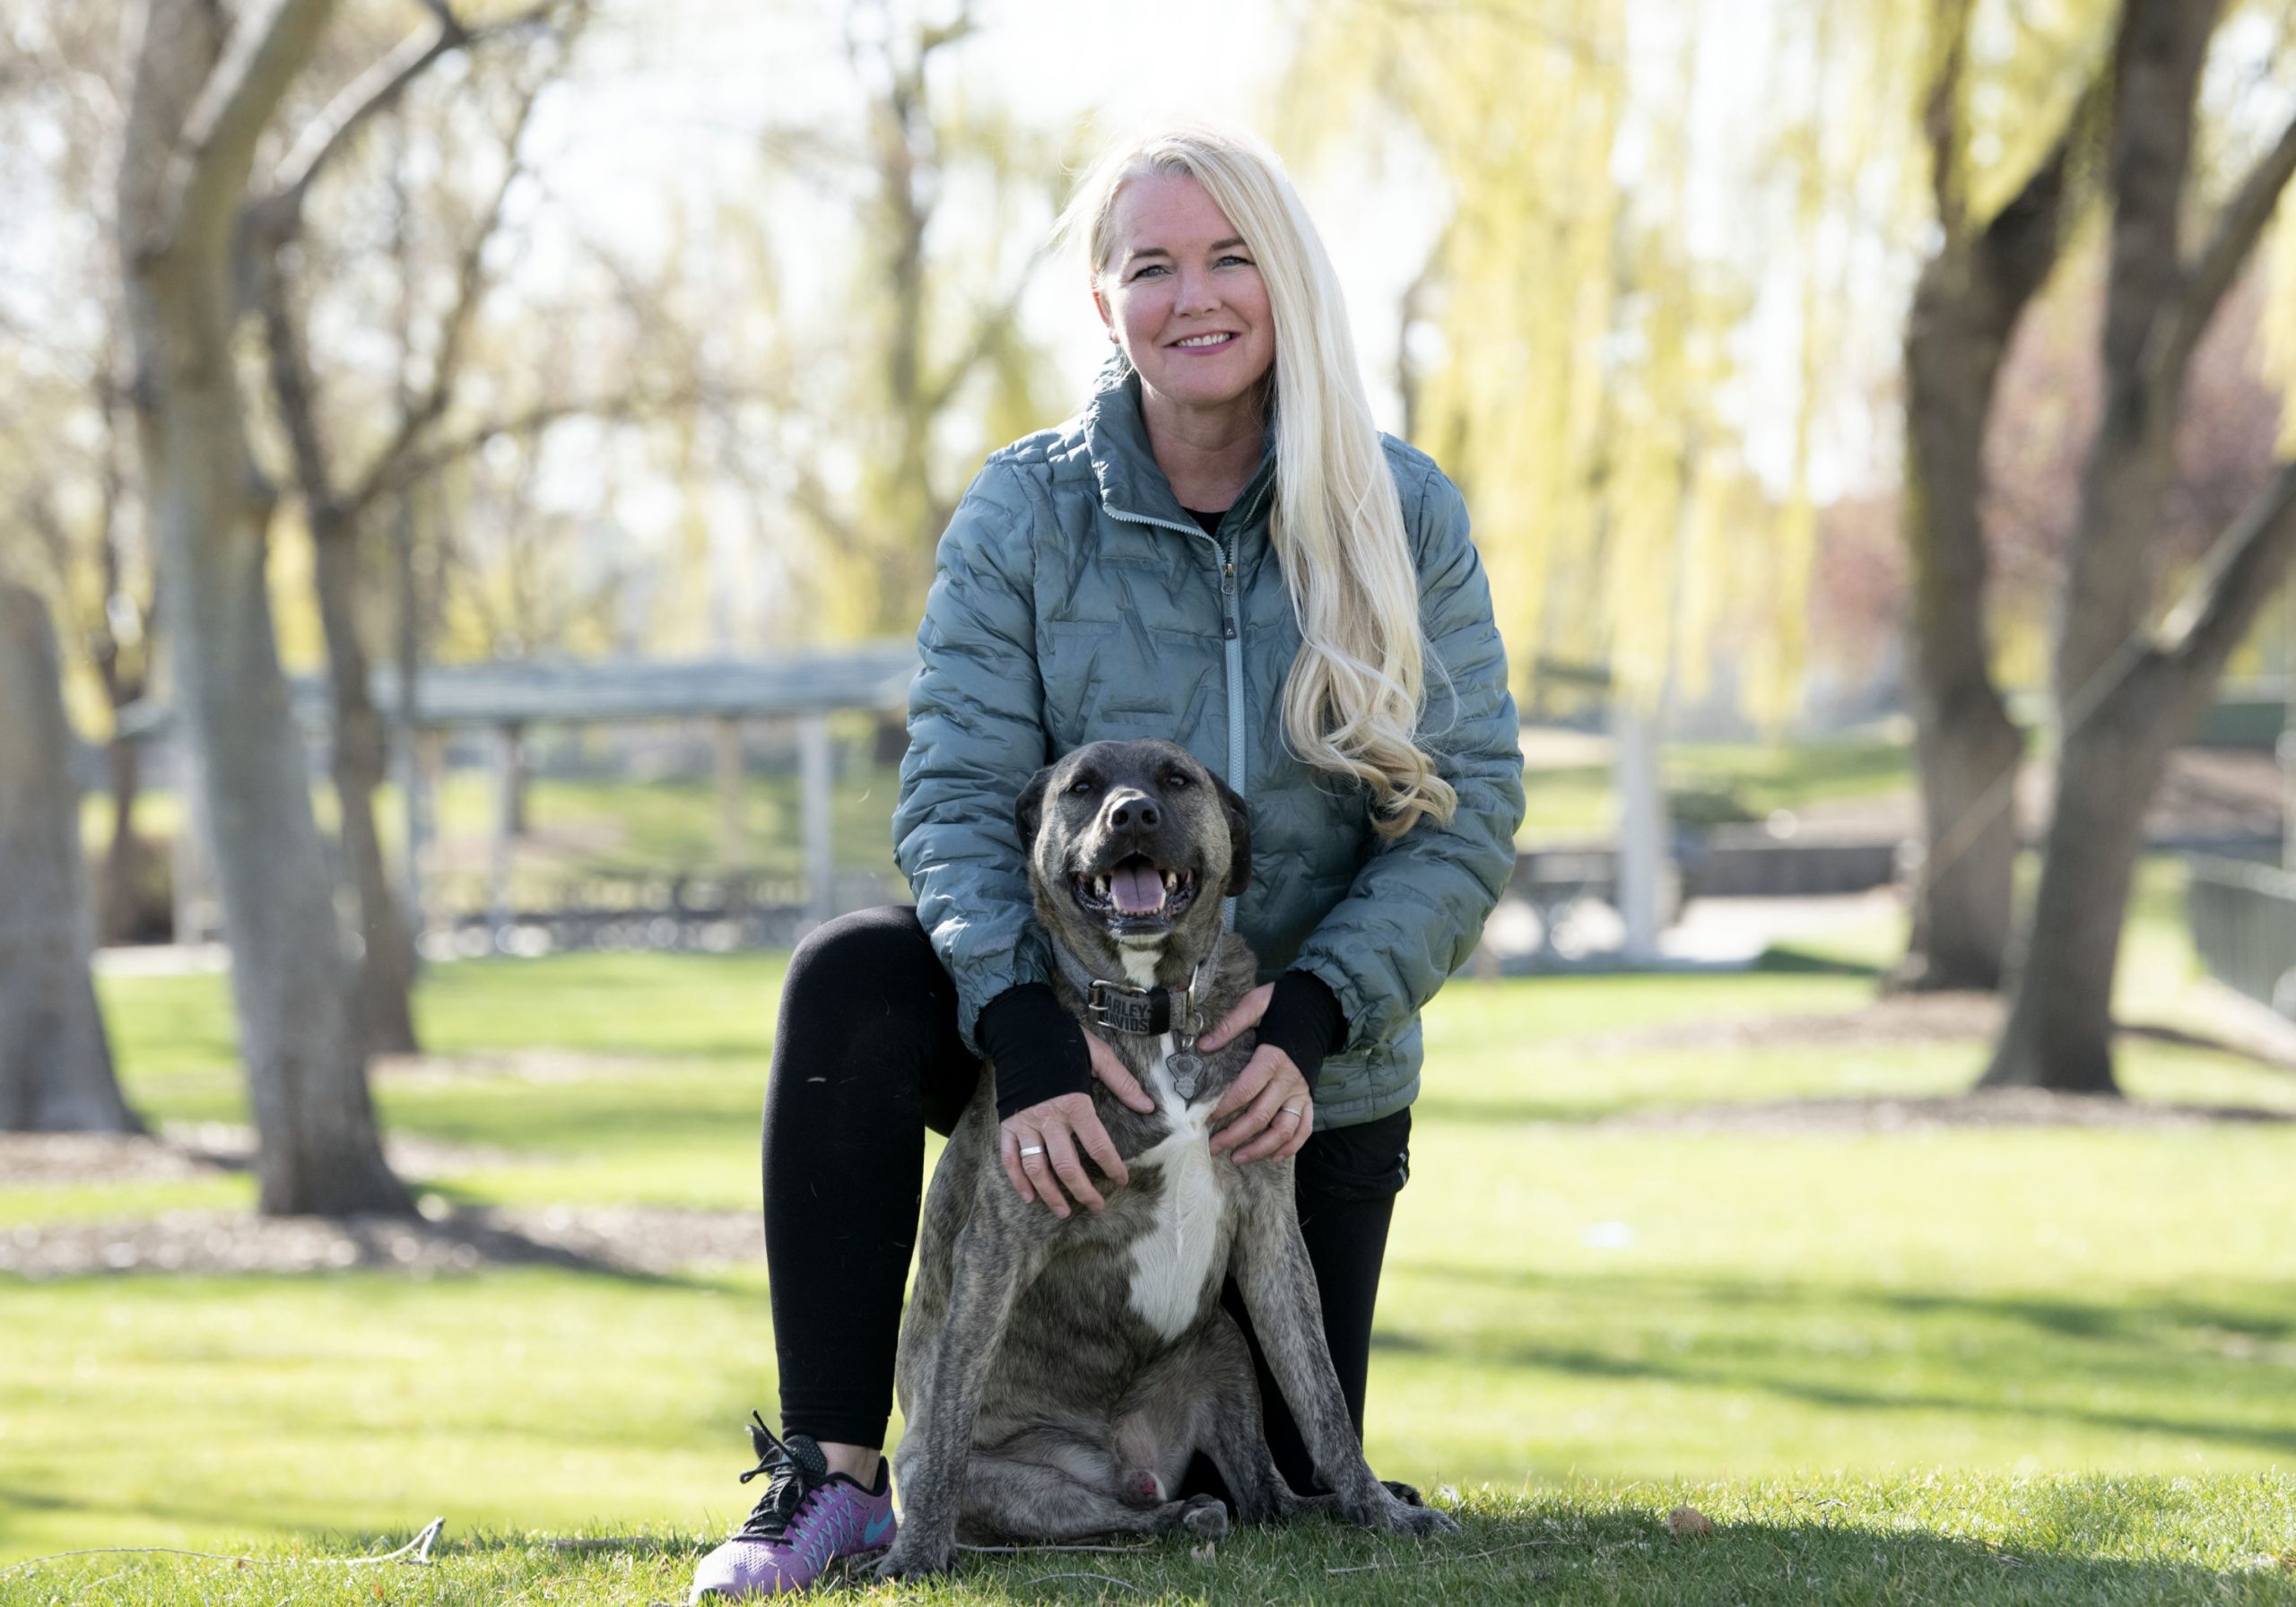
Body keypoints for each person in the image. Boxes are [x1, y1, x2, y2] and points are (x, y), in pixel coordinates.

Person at [690, 121, 1525, 1602]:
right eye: (1152, 266)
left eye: (1229, 258)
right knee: (851, 983)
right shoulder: (1028, 509)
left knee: (1245, 1476)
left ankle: (1253, 1422)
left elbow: (1465, 814)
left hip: (1291, 1068)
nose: (1192, 296)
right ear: (1103, 303)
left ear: (1290, 283)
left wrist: (1320, 1016)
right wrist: (1025, 1032)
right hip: (1055, 1023)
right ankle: (829, 1485)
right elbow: (954, 792)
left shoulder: (1401, 512)